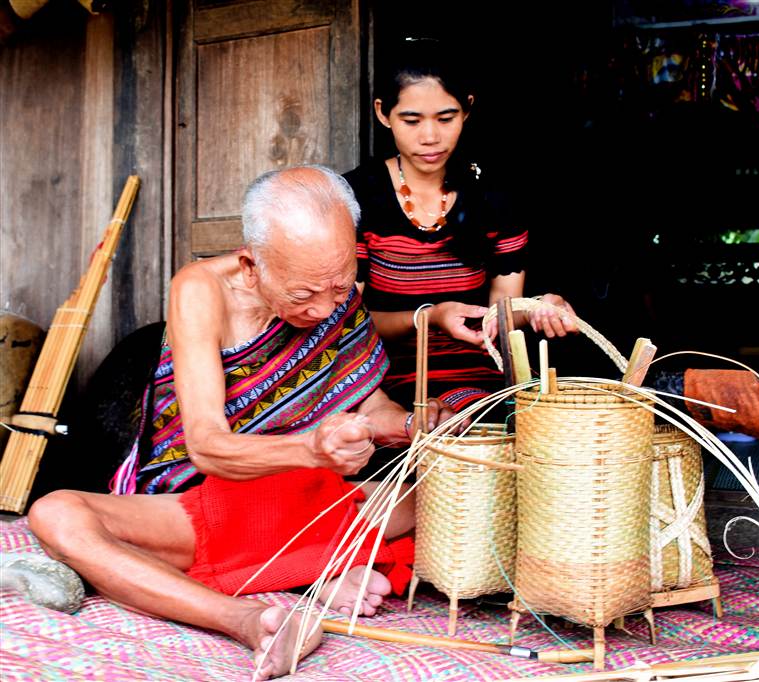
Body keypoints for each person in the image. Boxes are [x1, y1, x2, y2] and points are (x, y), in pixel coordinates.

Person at [26, 165, 449, 679]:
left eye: (340, 289)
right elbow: (206, 446)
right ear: (251, 266)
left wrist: (414, 427)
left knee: (438, 498)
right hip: (203, 503)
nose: (325, 309)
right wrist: (312, 449)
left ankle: (299, 569)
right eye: (303, 295)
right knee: (55, 514)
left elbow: (370, 406)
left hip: (303, 500)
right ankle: (251, 618)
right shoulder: (202, 290)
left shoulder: (333, 287)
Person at [343, 38, 576, 421]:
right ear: (383, 113)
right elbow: (344, 321)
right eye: (412, 120)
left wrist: (537, 309)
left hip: (479, 381)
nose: (430, 137)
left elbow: (501, 313)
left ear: (467, 109)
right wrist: (428, 317)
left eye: (446, 118)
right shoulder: (356, 197)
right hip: (380, 384)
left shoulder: (494, 197)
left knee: (524, 425)